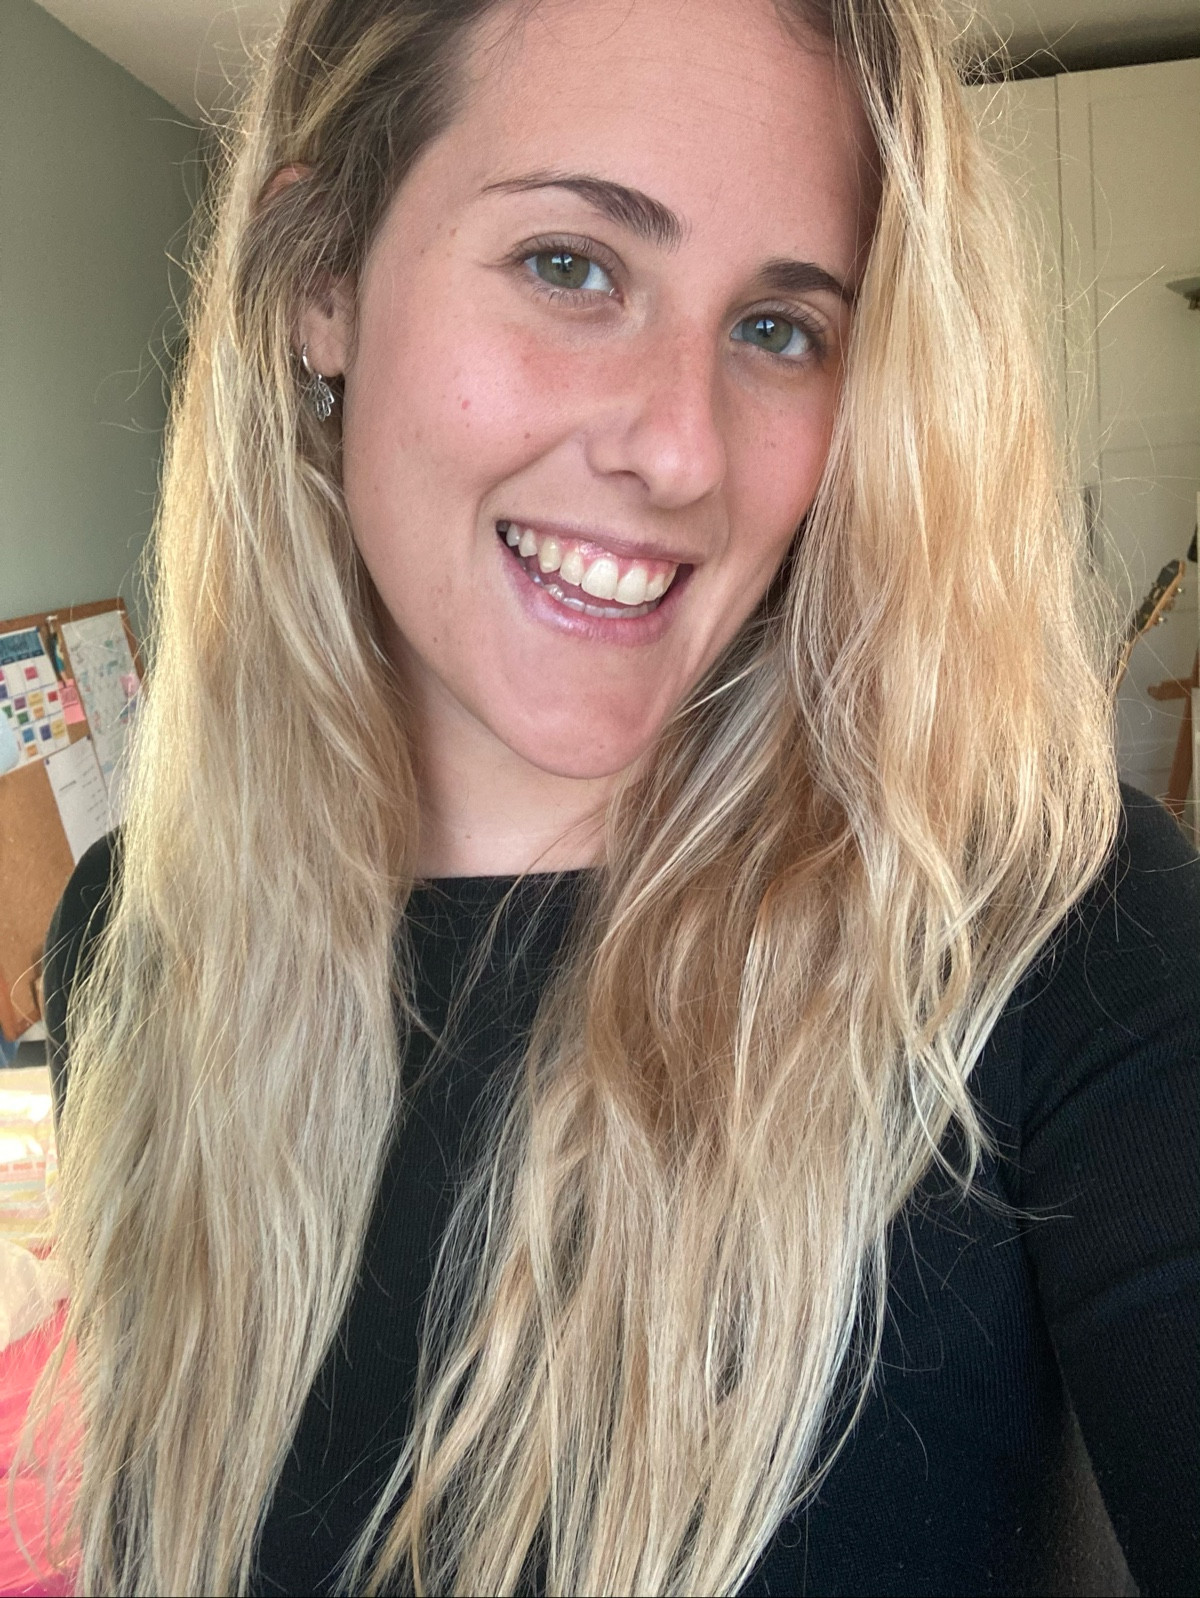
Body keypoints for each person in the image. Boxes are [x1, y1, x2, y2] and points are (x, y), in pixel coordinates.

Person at [31, 0, 1199, 1592]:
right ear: (322, 284)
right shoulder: (131, 936)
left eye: (779, 327)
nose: (682, 450)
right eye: (571, 265)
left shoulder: (1060, 943)